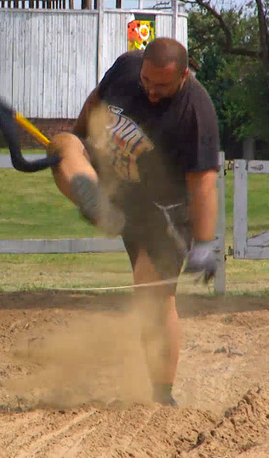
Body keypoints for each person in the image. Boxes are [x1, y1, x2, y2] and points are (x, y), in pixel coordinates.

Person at [46, 37, 221, 406]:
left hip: (166, 212)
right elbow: (97, 101)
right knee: (61, 144)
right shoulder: (126, 68)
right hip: (121, 192)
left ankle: (162, 394)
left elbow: (203, 181)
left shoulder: (196, 109)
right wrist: (80, 136)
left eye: (162, 86)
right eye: (147, 82)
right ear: (140, 68)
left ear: (183, 76)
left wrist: (205, 243)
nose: (152, 92)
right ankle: (93, 200)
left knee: (154, 294)